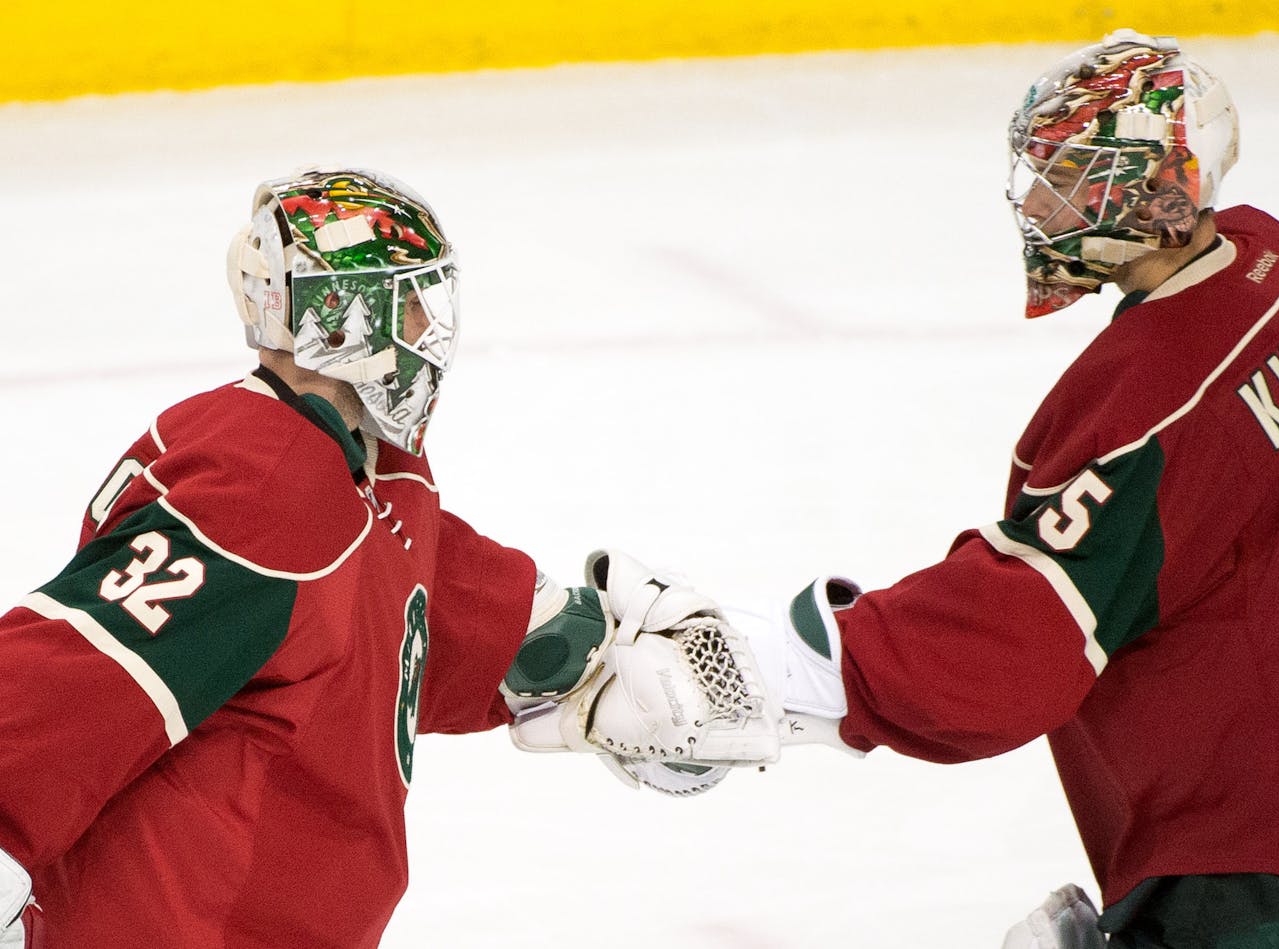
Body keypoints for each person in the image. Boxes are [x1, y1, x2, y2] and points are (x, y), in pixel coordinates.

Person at [670, 28, 1279, 948]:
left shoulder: (1145, 399)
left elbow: (1016, 640)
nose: (1038, 199)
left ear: (1167, 194)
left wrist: (789, 662)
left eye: (1077, 175)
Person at [0, 167, 776, 948]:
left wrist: (583, 654)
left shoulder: (368, 471)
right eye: (407, 299)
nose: (430, 327)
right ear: (336, 316)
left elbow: (416, 604)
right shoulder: (258, 481)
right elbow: (78, 672)